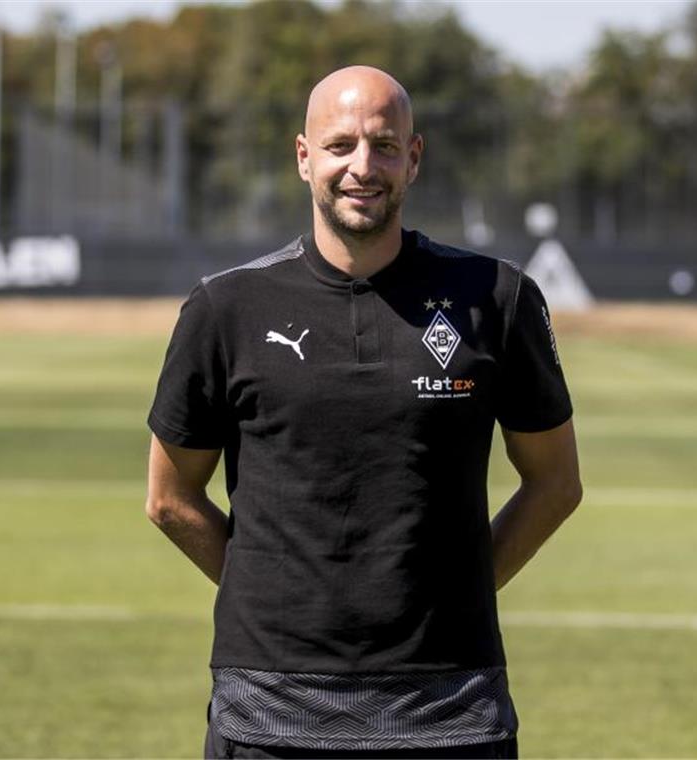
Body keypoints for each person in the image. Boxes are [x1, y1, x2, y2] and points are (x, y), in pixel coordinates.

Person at [146, 65, 582, 759]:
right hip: (268, 714)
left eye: (383, 145)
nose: (362, 166)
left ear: (413, 157)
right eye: (340, 144)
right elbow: (169, 499)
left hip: (451, 713)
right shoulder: (225, 309)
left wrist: (458, 589)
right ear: (303, 157)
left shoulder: (496, 297)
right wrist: (277, 595)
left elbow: (557, 483)